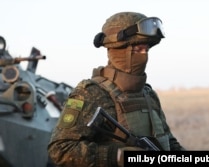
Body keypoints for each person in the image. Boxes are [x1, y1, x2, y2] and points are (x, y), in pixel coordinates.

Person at [48, 11, 185, 167]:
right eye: (138, 50)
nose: (144, 56)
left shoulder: (148, 94)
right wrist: (118, 156)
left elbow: (167, 140)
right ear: (118, 49)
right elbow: (60, 149)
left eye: (146, 50)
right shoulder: (91, 93)